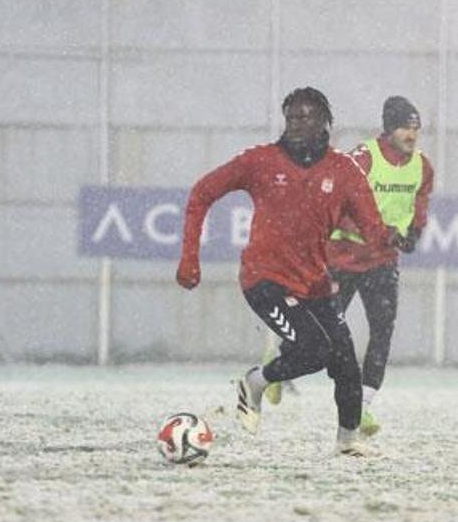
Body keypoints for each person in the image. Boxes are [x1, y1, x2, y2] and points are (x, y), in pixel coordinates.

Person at [177, 86, 409, 456]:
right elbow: (202, 192)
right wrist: (190, 258)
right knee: (314, 350)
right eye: (291, 117)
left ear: (324, 123)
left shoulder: (343, 171)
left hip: (314, 283)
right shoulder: (261, 161)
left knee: (345, 359)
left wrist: (390, 238)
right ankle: (256, 381)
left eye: (305, 117)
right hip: (264, 280)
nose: (296, 124)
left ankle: (347, 441)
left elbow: (372, 227)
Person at [318, 96, 435, 437]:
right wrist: (364, 231)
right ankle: (276, 359)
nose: (411, 135)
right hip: (343, 258)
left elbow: (419, 202)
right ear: (388, 129)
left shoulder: (422, 166)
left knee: (382, 329)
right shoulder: (363, 158)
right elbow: (337, 200)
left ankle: (363, 405)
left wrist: (414, 231)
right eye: (404, 127)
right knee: (321, 336)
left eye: (415, 128)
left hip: (382, 262)